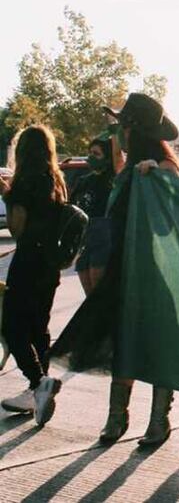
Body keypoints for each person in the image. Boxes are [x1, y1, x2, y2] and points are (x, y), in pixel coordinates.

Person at [50, 93, 179, 445]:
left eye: (121, 126)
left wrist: (157, 178)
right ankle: (117, 417)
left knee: (155, 344)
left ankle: (159, 420)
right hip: (122, 267)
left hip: (153, 273)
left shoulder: (162, 168)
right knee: (121, 339)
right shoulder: (128, 169)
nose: (117, 133)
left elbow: (170, 223)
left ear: (134, 130)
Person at [0, 126, 67, 426]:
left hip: (28, 261)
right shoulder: (57, 180)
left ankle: (38, 381)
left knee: (13, 326)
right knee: (39, 327)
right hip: (49, 265)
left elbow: (17, 228)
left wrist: (8, 195)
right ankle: (36, 394)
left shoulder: (25, 181)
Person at [71, 136, 121, 296]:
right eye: (90, 153)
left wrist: (114, 134)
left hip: (102, 237)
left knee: (98, 291)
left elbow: (118, 158)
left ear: (107, 158)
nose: (91, 157)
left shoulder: (111, 179)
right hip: (84, 238)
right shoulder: (83, 181)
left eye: (96, 153)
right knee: (89, 293)